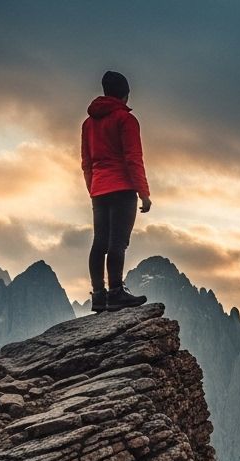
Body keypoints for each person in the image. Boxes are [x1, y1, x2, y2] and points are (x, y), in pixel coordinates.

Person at [81, 70, 150, 312]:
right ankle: (116, 293)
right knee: (117, 242)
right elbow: (133, 158)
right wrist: (143, 192)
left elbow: (86, 162)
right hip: (122, 187)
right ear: (125, 94)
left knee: (99, 242)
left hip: (99, 189)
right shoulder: (126, 120)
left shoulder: (88, 124)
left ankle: (99, 296)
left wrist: (93, 187)